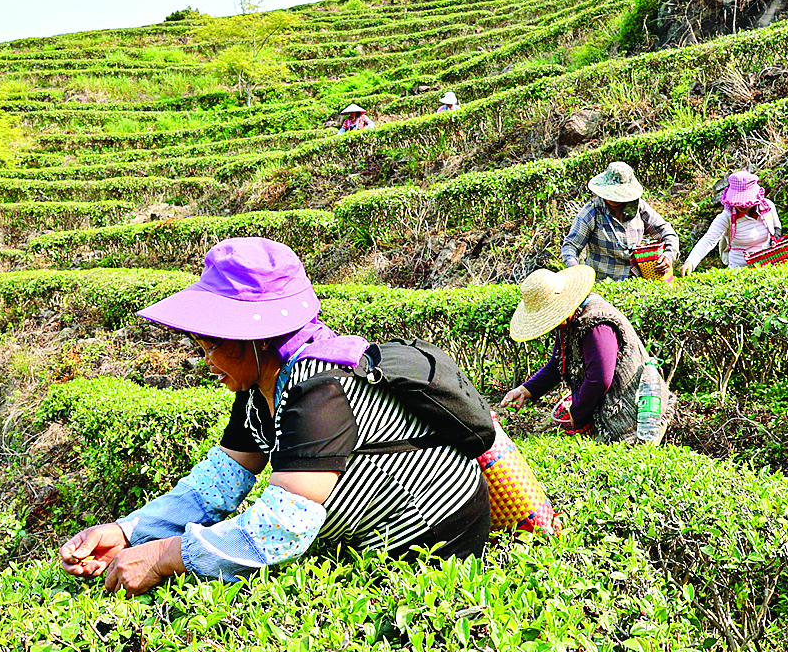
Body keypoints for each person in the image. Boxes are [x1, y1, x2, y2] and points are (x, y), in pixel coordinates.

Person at [59, 237, 490, 595]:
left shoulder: (319, 389)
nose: (205, 360)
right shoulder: (259, 388)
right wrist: (129, 531)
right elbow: (214, 487)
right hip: (368, 541)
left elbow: (282, 528)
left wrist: (165, 555)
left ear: (257, 337)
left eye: (213, 344)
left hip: (432, 549)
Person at [496, 264, 673, 444]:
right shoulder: (570, 319)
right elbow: (558, 364)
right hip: (614, 410)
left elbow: (599, 379)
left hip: (636, 416)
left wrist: (577, 413)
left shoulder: (597, 325)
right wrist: (524, 391)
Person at [562, 161, 680, 281]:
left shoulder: (638, 206)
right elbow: (570, 246)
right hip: (603, 282)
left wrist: (669, 255)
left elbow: (666, 232)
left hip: (637, 281)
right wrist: (576, 271)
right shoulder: (592, 211)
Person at [682, 170, 784, 273]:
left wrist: (775, 240)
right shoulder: (727, 217)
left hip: (767, 267)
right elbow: (708, 240)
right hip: (740, 271)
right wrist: (690, 262)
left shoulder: (767, 206)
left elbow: (777, 225)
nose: (740, 205)